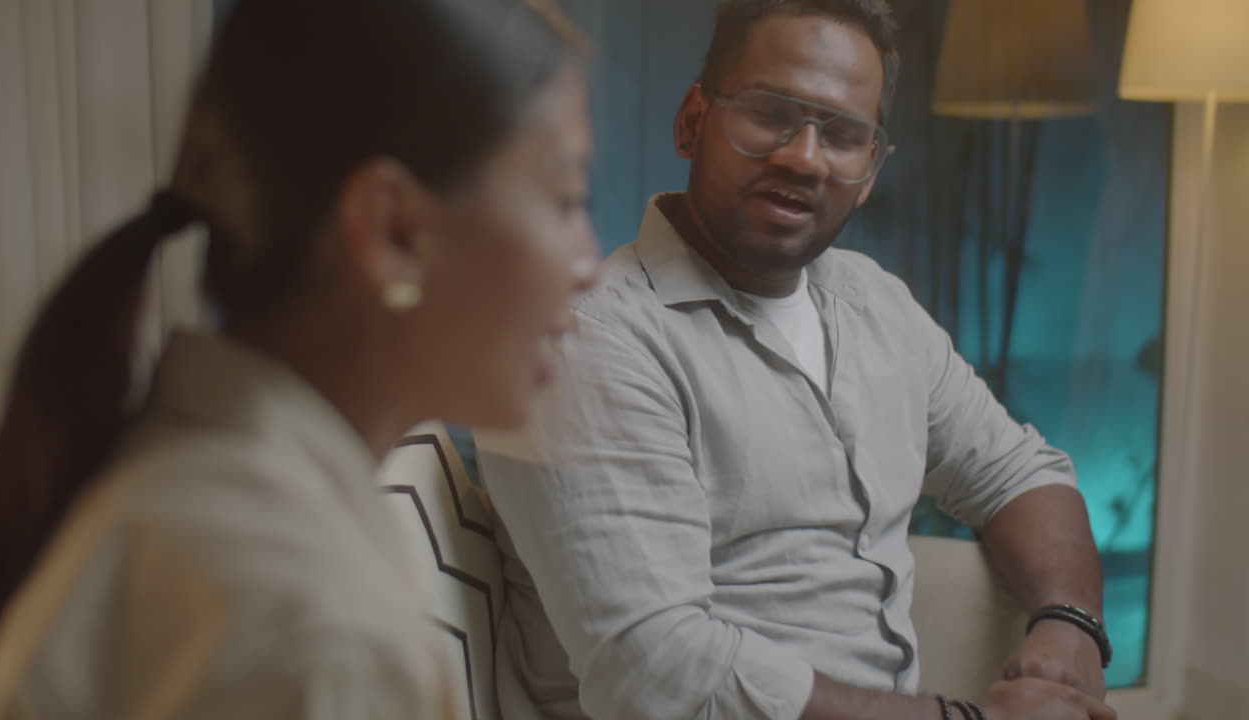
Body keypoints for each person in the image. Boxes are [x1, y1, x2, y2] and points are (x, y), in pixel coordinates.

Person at [476, 1, 1117, 718]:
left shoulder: (877, 306)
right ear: (693, 120)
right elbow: (656, 673)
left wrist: (1072, 624)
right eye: (771, 114)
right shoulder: (593, 338)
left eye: (843, 135)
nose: (804, 157)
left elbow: (1016, 473)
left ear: (869, 170)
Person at [0, 0, 595, 716]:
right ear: (393, 229)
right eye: (567, 198)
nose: (588, 264)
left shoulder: (186, 486)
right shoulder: (316, 626)